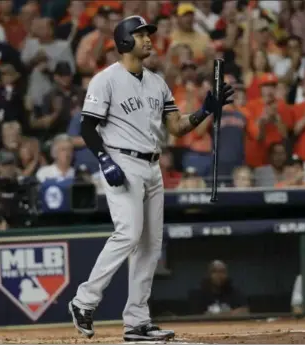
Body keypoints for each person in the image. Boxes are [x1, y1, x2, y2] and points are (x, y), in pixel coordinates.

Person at [68, 15, 234, 341]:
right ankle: (84, 301)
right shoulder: (106, 79)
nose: (148, 39)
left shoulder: (158, 82)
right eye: (142, 34)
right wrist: (104, 160)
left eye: (148, 34)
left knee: (150, 246)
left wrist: (206, 109)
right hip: (121, 161)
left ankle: (137, 322)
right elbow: (88, 126)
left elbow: (176, 127)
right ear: (125, 40)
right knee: (129, 233)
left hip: (152, 165)